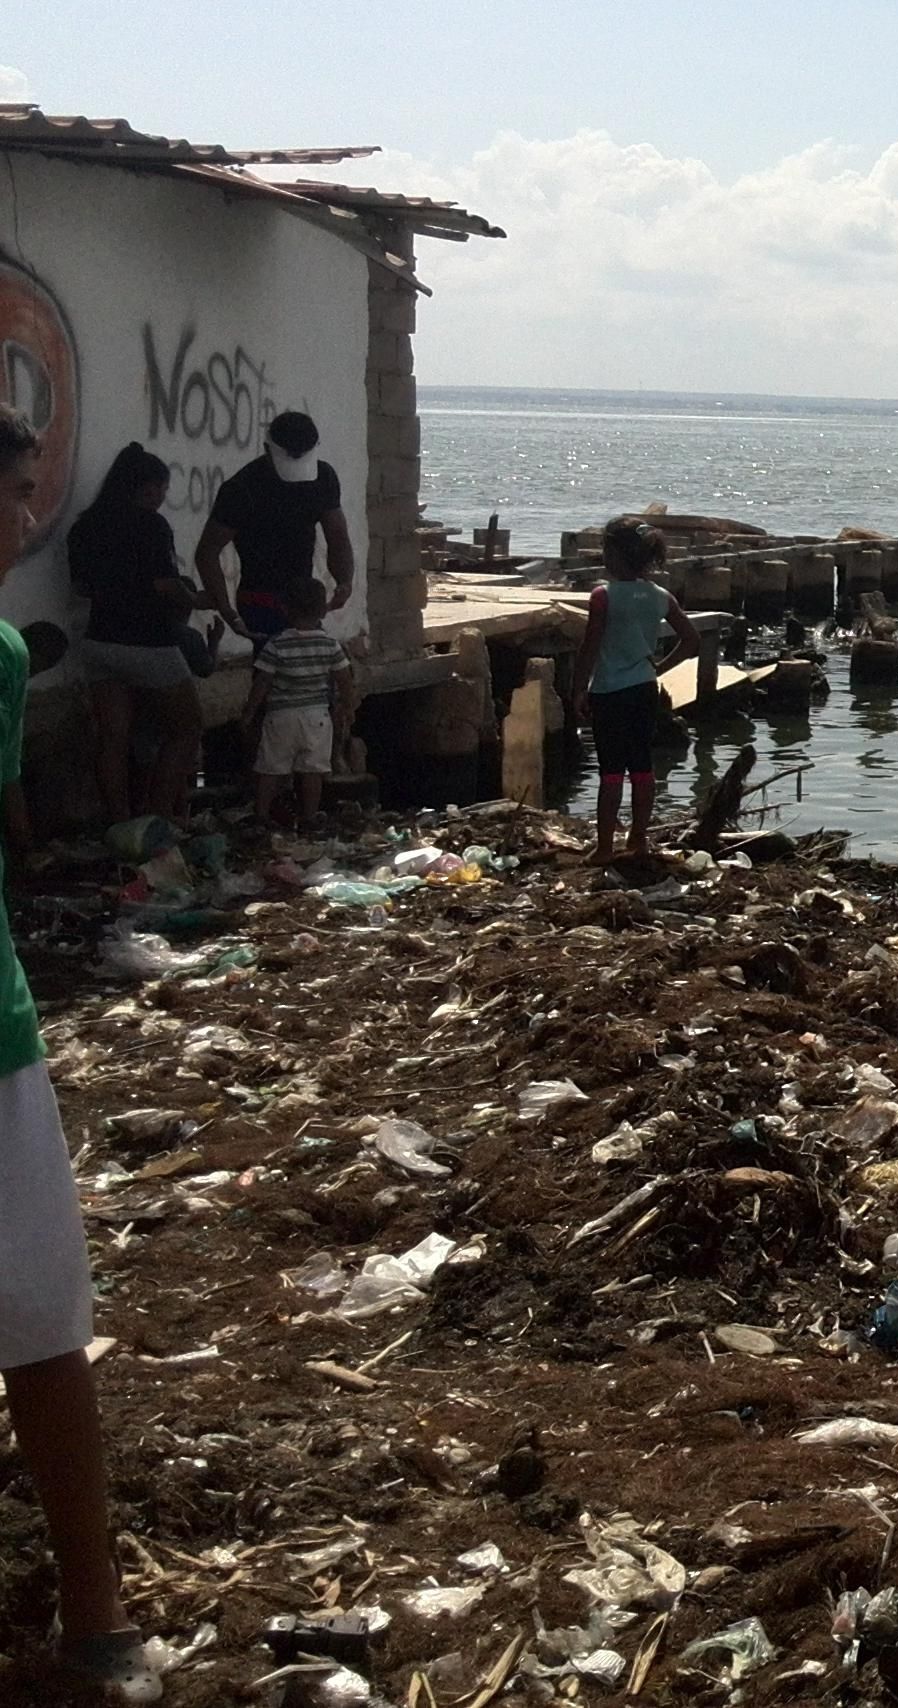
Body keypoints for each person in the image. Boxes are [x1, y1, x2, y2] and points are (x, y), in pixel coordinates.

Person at [0, 406, 155, 1703]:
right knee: (42, 1311)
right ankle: (95, 1609)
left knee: (45, 1310)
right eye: (11, 497)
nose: (25, 520)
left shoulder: (3, 653)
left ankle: (95, 1604)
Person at [63, 444, 206, 822]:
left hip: (99, 641)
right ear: (143, 488)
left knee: (112, 738)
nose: (161, 497)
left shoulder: (84, 527)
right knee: (187, 729)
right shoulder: (151, 525)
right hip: (148, 643)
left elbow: (81, 587)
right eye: (160, 489)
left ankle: (119, 821)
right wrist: (195, 598)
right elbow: (165, 586)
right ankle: (157, 819)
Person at [574, 520, 703, 860]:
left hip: (609, 692)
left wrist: (577, 690)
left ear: (614, 555)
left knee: (611, 772)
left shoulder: (603, 597)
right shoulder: (661, 597)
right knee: (643, 768)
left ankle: (604, 848)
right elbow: (692, 640)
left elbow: (590, 647)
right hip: (645, 689)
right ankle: (638, 839)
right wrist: (660, 668)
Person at [195, 409, 354, 639]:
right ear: (267, 448)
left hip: (303, 599)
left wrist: (344, 581)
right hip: (258, 598)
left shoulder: (323, 478)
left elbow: (338, 536)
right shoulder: (242, 489)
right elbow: (208, 551)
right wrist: (227, 610)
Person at [243, 575, 352, 825]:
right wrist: (349, 706)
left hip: (281, 716)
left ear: (285, 609)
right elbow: (344, 679)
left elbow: (262, 683)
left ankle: (261, 814)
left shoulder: (277, 645)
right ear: (322, 610)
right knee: (313, 770)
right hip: (317, 716)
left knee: (270, 768)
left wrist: (249, 713)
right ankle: (310, 816)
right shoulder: (330, 644)